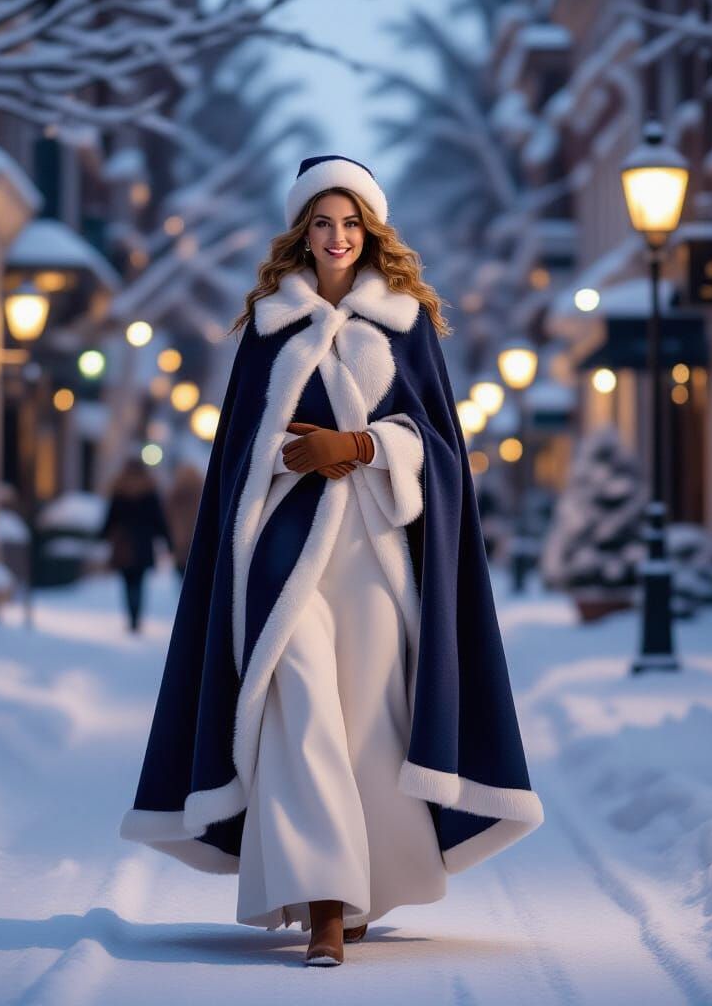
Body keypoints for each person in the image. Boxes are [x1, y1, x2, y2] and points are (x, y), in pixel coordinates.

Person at [119, 154, 544, 966]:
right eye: (323, 222)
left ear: (371, 231)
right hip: (285, 552)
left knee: (368, 721)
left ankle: (361, 887)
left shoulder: (408, 323)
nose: (339, 236)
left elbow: (444, 452)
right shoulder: (267, 329)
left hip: (380, 551)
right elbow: (236, 452)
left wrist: (368, 444)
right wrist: (292, 455)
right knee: (300, 702)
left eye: (352, 223)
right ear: (301, 233)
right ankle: (322, 901)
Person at [99, 456, 172, 632]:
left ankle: (131, 616)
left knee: (127, 582)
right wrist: (167, 540)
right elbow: (158, 519)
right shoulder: (149, 490)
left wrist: (103, 535)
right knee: (139, 582)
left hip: (124, 544)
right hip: (143, 544)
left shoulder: (119, 489)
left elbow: (111, 517)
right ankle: (136, 617)